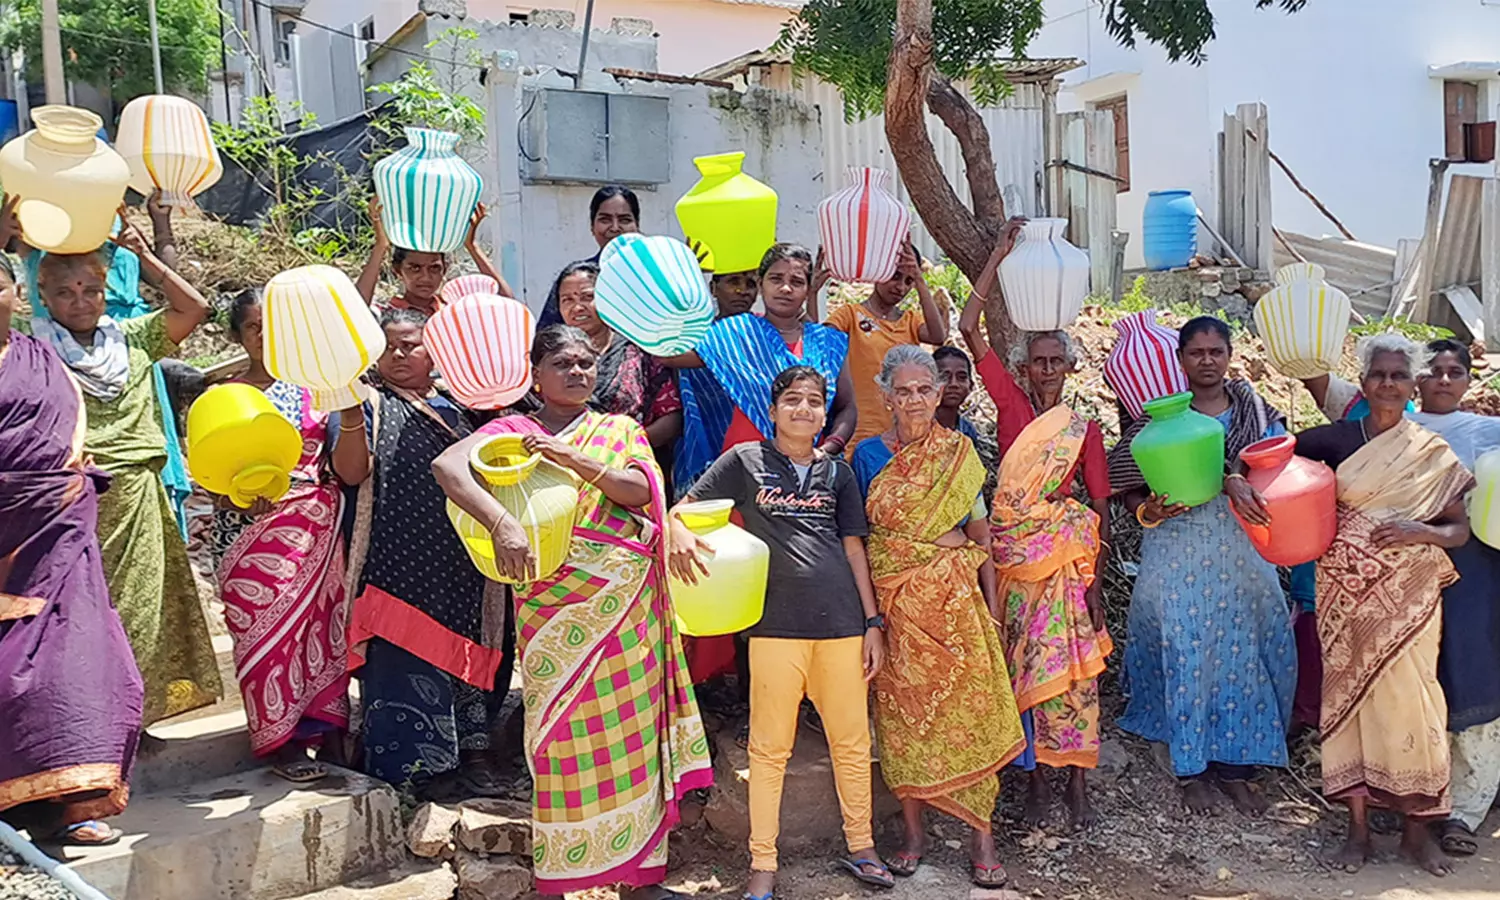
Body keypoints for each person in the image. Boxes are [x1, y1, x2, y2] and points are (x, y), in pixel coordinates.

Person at [434, 325, 711, 898]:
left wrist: (574, 459)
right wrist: (501, 521)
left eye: (586, 363)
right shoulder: (511, 431)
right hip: (553, 611)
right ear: (536, 374)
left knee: (633, 738)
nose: (578, 372)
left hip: (627, 608)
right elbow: (449, 468)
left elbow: (639, 491)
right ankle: (563, 874)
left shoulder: (617, 429)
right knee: (560, 740)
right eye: (563, 362)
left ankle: (640, 875)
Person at [671, 366, 891, 900]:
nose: (803, 410)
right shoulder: (746, 461)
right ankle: (762, 866)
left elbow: (854, 548)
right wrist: (675, 526)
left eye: (814, 402)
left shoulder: (838, 474)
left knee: (852, 743)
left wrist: (872, 623)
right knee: (769, 751)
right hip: (773, 630)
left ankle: (861, 846)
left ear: (823, 414)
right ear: (773, 410)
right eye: (792, 400)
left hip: (841, 626)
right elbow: (685, 508)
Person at [1293, 334, 1474, 876]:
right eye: (1379, 375)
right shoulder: (1333, 440)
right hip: (1344, 602)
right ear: (1364, 380)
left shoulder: (1430, 454)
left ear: (1412, 382)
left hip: (1411, 603)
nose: (1388, 384)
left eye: (1399, 375)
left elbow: (1458, 531)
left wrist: (1419, 529)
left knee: (1416, 703)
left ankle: (1418, 834)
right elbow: (1266, 466)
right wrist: (1237, 484)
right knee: (1348, 705)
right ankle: (1357, 832)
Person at [31, 210, 221, 726]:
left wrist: (145, 258)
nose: (80, 302)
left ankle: (134, 719)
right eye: (66, 293)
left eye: (90, 289)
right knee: (81, 616)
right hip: (75, 499)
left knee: (141, 614)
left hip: (139, 493)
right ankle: (89, 727)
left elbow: (194, 307)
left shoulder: (133, 338)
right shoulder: (37, 350)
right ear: (43, 298)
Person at [1107, 316, 1296, 814]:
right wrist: (1150, 509)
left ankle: (1238, 767)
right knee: (1188, 648)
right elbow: (1126, 485)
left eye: (1216, 351)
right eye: (1197, 353)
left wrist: (1237, 476)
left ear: (1230, 355)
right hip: (1178, 549)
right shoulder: (1160, 420)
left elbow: (1279, 464)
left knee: (1244, 648)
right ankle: (1192, 769)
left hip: (1240, 549)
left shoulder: (1255, 411)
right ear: (1181, 359)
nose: (1207, 361)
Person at [848, 347, 1021, 888]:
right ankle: (915, 834)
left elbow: (978, 532)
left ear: (940, 392)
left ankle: (981, 835)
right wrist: (871, 616)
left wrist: (993, 604)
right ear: (886, 396)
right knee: (904, 721)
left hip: (955, 605)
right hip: (896, 608)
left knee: (973, 711)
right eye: (904, 391)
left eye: (925, 389)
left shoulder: (960, 454)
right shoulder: (868, 457)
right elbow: (865, 538)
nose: (916, 399)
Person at [958, 238, 1113, 830]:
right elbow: (971, 326)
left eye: (1056, 362)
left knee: (1073, 673)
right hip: (1015, 557)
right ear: (1022, 369)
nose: (1047, 370)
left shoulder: (1085, 431)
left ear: (1070, 368)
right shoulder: (1009, 403)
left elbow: (1097, 507)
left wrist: (1096, 584)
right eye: (1038, 362)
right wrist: (995, 255)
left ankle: (1076, 781)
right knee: (1024, 667)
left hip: (1069, 565)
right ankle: (1033, 782)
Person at [0, 252, 143, 847]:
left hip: (54, 535)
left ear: (14, 290)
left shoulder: (41, 360)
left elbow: (56, 438)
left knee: (76, 664)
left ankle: (77, 799)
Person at [339, 308, 504, 798]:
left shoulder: (467, 406)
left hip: (463, 557)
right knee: (398, 659)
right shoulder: (365, 403)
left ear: (435, 349)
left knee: (467, 652)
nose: (399, 354)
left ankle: (473, 755)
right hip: (395, 558)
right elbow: (351, 473)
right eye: (388, 346)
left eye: (411, 344)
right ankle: (410, 774)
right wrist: (348, 417)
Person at [205, 291, 352, 783]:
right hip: (249, 532)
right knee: (263, 636)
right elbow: (209, 474)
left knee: (321, 633)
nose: (264, 338)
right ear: (238, 336)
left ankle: (329, 732)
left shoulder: (316, 390)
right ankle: (280, 742)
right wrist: (237, 498)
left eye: (273, 328)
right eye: (252, 328)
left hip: (314, 525)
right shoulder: (222, 397)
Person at [1405, 340, 1500, 857]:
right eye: (1434, 371)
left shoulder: (1490, 434)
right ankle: (1416, 801)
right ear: (1417, 380)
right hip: (1407, 571)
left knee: (1472, 678)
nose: (1444, 379)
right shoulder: (1394, 427)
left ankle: (1466, 810)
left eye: (1454, 372)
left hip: (1475, 571)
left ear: (1468, 382)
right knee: (1418, 682)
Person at [821, 237, 949, 449]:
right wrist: (812, 295)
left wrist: (920, 280)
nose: (900, 287)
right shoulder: (850, 315)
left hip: (902, 436)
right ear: (878, 273)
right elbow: (820, 342)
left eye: (908, 281)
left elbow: (938, 336)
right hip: (856, 434)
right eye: (895, 276)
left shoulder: (910, 320)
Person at [554, 261, 682, 450]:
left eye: (587, 297)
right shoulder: (549, 356)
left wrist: (622, 449)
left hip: (631, 464)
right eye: (567, 300)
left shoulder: (638, 351)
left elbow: (671, 416)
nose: (577, 307)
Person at [672, 269, 758, 501]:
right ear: (712, 289)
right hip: (701, 442)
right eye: (733, 282)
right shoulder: (694, 335)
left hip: (756, 448)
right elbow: (665, 356)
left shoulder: (763, 335)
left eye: (750, 283)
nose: (742, 291)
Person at [355, 197, 512, 313]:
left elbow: (507, 305)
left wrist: (472, 246)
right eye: (415, 268)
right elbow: (355, 310)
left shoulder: (453, 310)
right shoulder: (389, 312)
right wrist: (381, 245)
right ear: (398, 270)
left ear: (445, 269)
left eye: (434, 268)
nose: (425, 277)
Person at [537, 185, 642, 329]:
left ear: (637, 225)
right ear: (592, 227)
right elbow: (548, 335)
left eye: (624, 220)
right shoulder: (576, 277)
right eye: (605, 220)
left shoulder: (657, 272)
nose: (615, 227)